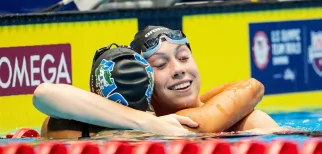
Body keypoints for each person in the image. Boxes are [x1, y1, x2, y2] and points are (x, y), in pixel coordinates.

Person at [33, 26, 278, 139]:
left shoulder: (245, 122)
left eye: (184, 57)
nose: (179, 70)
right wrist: (149, 123)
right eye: (160, 65)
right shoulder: (103, 125)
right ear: (144, 80)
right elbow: (45, 94)